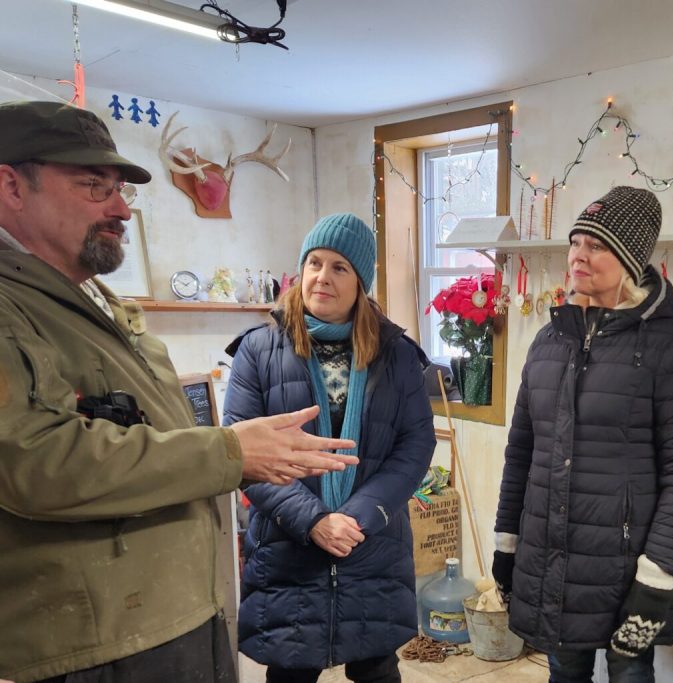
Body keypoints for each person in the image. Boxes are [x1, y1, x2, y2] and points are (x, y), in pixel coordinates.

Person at [0, 100, 357, 683]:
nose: (122, 208)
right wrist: (231, 453)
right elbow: (35, 461)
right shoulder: (12, 309)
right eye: (93, 186)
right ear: (12, 186)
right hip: (98, 646)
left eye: (120, 189)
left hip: (176, 616)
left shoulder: (96, 303)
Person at [492, 186, 673, 682]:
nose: (578, 256)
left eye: (596, 245)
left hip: (626, 568)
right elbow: (521, 452)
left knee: (629, 674)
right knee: (563, 674)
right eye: (576, 242)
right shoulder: (549, 341)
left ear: (630, 260)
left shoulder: (672, 349)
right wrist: (507, 542)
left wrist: (657, 576)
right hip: (551, 560)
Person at [222, 212, 436, 683]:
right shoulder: (258, 351)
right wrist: (314, 520)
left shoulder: (397, 354)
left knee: (377, 670)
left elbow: (415, 446)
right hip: (288, 547)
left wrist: (356, 519)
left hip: (370, 545)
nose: (322, 276)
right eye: (314, 263)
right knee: (291, 672)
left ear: (360, 282)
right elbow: (241, 453)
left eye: (339, 267)